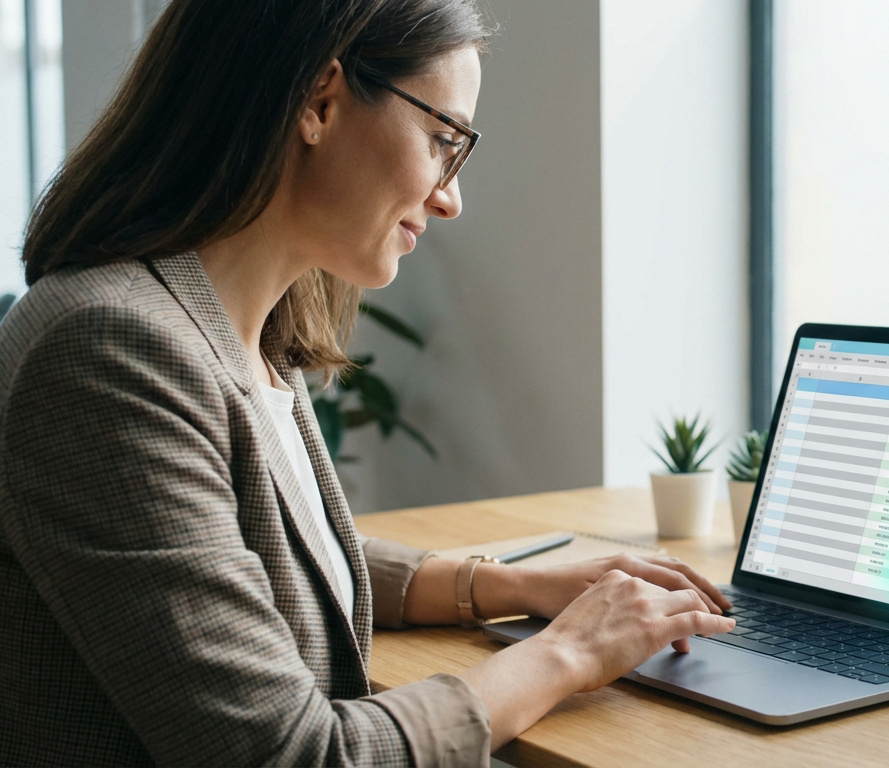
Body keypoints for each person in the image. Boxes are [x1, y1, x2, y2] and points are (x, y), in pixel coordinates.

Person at [0, 1, 735, 765]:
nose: (452, 196)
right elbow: (294, 755)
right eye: (444, 140)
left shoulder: (241, 332)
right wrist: (569, 654)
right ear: (320, 101)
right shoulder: (111, 351)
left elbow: (264, 558)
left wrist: (512, 587)